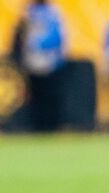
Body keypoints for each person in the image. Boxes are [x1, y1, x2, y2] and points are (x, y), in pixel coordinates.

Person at [13, 0, 67, 132]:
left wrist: (35, 44)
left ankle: (50, 125)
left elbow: (56, 36)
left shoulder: (51, 12)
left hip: (48, 61)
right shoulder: (29, 11)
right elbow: (19, 34)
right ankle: (38, 125)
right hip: (33, 61)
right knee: (36, 96)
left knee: (48, 96)